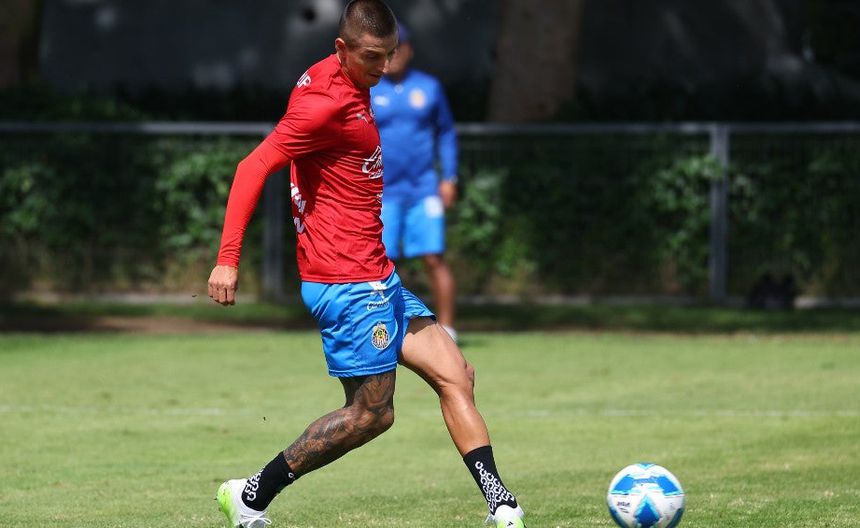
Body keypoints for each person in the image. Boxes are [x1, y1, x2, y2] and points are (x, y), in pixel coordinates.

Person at [206, 2, 526, 527]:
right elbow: (253, 166)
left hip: (377, 274)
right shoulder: (323, 104)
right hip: (346, 281)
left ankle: (502, 505)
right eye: (373, 56)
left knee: (457, 373)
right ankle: (250, 495)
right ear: (342, 48)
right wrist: (227, 260)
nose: (384, 66)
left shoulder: (346, 79)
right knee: (371, 415)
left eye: (390, 54)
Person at [371, 23, 460, 341]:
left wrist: (449, 177)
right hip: (384, 191)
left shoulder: (429, 87)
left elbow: (446, 133)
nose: (393, 56)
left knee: (433, 257)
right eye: (387, 50)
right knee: (382, 261)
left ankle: (447, 329)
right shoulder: (369, 88)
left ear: (409, 50)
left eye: (399, 48)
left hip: (423, 189)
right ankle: (383, 326)